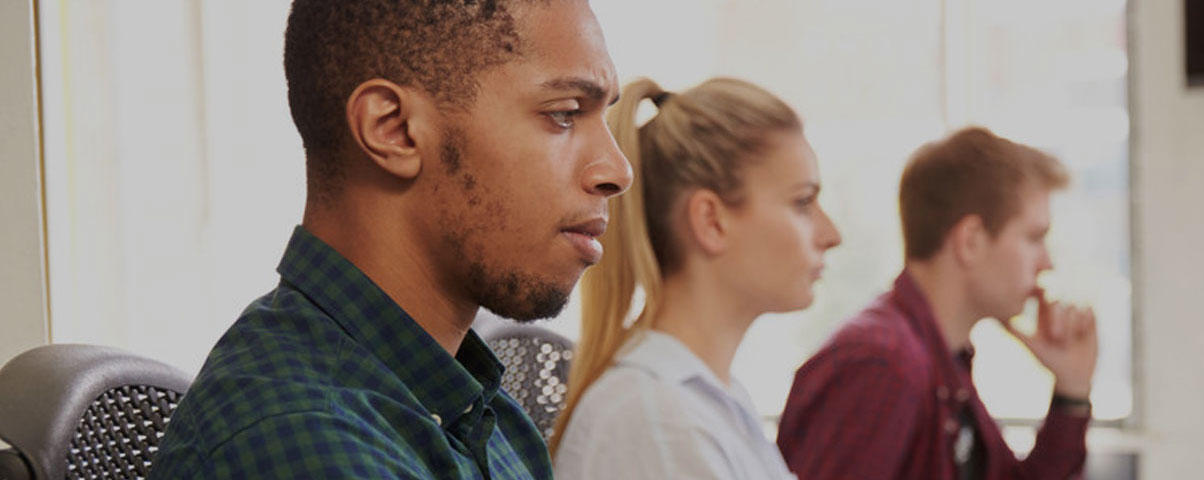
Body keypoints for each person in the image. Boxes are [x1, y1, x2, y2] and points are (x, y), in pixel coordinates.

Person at [148, 0, 629, 477]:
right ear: (393, 130)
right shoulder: (305, 442)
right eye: (565, 113)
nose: (618, 170)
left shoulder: (490, 418)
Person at [549, 77, 840, 479]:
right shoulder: (657, 421)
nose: (831, 235)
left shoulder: (710, 399)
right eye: (803, 202)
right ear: (711, 221)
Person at [778, 127, 1098, 480]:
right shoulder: (883, 363)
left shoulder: (939, 359)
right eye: (1034, 238)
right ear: (971, 241)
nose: (1046, 262)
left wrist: (1072, 390)